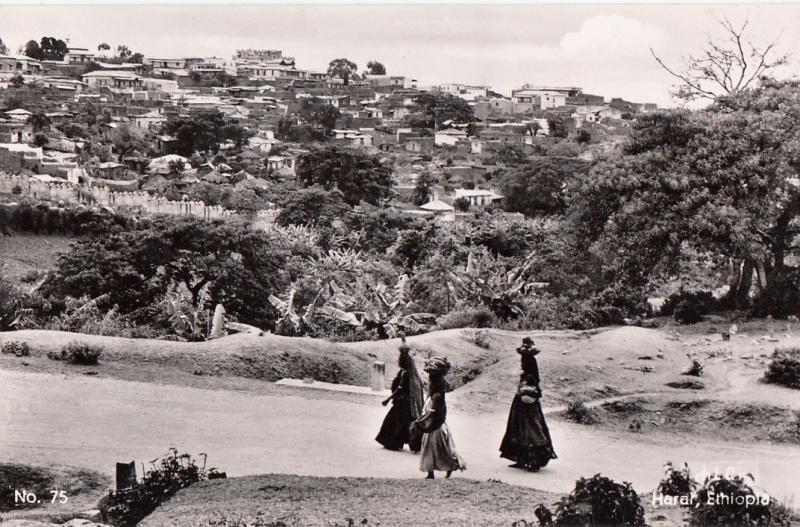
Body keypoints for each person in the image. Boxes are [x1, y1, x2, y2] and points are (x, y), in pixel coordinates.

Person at [499, 337, 557, 472]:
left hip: (528, 400)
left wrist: (527, 384)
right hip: (522, 398)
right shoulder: (526, 361)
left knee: (531, 429)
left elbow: (535, 380)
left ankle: (534, 461)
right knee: (519, 427)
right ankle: (522, 459)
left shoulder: (530, 362)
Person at [413, 356, 466, 479]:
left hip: (435, 426)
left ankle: (449, 466)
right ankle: (431, 472)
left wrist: (420, 420)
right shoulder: (434, 394)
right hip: (432, 424)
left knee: (438, 448)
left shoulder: (437, 395)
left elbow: (433, 412)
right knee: (432, 448)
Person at [375, 336, 425, 452]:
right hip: (404, 402)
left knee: (393, 422)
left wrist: (387, 400)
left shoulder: (405, 374)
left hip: (401, 403)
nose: (398, 360)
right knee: (402, 423)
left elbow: (399, 388)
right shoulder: (406, 372)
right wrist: (403, 341)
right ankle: (403, 443)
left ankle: (393, 443)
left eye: (400, 358)